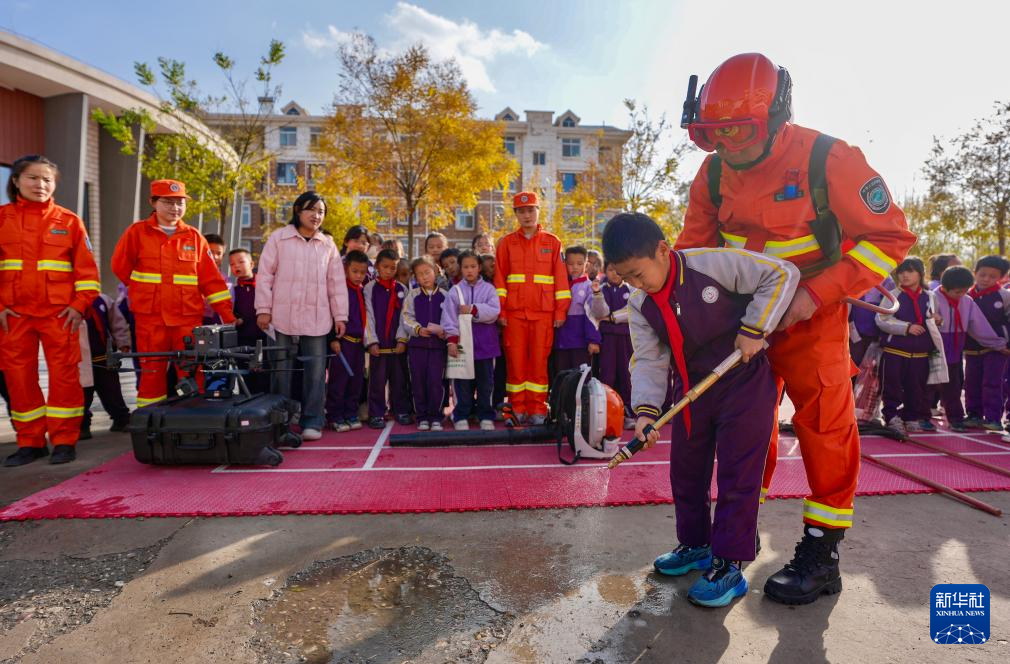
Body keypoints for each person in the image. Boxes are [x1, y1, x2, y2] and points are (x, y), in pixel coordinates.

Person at [676, 52, 915, 603]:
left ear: (776, 117)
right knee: (744, 430)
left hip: (813, 317)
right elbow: (694, 253)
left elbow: (890, 239)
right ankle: (732, 540)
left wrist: (812, 296)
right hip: (742, 323)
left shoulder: (831, 159)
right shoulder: (712, 173)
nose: (725, 145)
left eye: (738, 131)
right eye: (712, 133)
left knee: (825, 429)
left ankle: (822, 552)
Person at [605, 212, 799, 607]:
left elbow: (782, 274)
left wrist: (754, 328)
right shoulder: (640, 305)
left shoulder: (712, 264)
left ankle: (729, 565)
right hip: (691, 391)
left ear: (663, 250)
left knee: (737, 474)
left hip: (743, 382)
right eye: (626, 278)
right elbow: (649, 360)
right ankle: (695, 545)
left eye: (638, 274)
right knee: (686, 469)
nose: (636, 284)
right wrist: (646, 413)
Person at [0, 155, 101, 466]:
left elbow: (87, 272)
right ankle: (30, 443)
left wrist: (79, 305)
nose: (40, 184)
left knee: (64, 378)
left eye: (47, 179)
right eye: (33, 178)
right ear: (16, 181)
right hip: (14, 315)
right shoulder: (2, 218)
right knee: (19, 379)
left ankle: (64, 441)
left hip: (61, 314)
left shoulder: (69, 221)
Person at [112, 179, 235, 409]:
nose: (175, 208)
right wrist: (143, 291)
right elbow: (120, 267)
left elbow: (211, 281)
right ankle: (151, 419)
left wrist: (227, 315)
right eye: (168, 202)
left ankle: (191, 419)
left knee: (192, 371)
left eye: (180, 202)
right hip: (150, 318)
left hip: (187, 319)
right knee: (151, 372)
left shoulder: (194, 237)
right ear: (153, 203)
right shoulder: (137, 233)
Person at [254, 191, 348, 441]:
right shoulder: (279, 238)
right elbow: (265, 275)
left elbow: (336, 284)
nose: (316, 215)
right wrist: (263, 309)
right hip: (281, 316)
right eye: (311, 210)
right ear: (297, 210)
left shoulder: (328, 244)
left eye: (321, 211)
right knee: (281, 370)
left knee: (316, 372)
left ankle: (312, 421)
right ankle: (279, 422)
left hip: (317, 318)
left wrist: (340, 316)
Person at [494, 191, 571, 425]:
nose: (526, 215)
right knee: (515, 363)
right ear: (516, 214)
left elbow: (561, 280)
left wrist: (560, 311)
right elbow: (500, 280)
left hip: (543, 315)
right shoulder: (506, 243)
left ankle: (537, 409)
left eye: (530, 210)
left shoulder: (552, 242)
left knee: (539, 364)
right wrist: (501, 311)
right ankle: (516, 409)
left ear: (538, 211)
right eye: (521, 211)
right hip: (514, 315)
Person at [934, 265, 1010, 432]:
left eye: (964, 291)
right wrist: (934, 318)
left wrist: (998, 344)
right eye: (957, 292)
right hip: (933, 351)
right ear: (945, 287)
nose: (961, 295)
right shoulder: (932, 298)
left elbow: (978, 326)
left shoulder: (967, 301)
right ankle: (917, 416)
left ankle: (956, 419)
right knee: (924, 385)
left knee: (953, 386)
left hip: (954, 353)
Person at [875, 258, 936, 434]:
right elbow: (881, 319)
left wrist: (937, 320)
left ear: (920, 274)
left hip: (920, 354)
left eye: (910, 271)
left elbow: (933, 319)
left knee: (916, 388)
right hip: (895, 350)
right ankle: (891, 416)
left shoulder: (930, 296)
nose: (904, 275)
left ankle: (911, 417)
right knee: (891, 387)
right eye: (901, 272)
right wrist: (906, 327)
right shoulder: (892, 295)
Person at [444, 250, 501, 431]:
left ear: (479, 268)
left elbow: (494, 311)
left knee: (486, 383)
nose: (469, 270)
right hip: (462, 346)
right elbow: (449, 318)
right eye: (466, 267)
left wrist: (473, 309)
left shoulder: (489, 289)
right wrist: (452, 341)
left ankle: (485, 415)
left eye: (473, 266)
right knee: (462, 383)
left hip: (486, 345)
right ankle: (461, 414)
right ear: (460, 269)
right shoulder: (455, 291)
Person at [400, 256, 448, 431]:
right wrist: (418, 329)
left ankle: (436, 417)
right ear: (415, 277)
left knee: (436, 382)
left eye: (427, 272)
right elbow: (406, 318)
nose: (424, 277)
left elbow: (451, 319)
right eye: (420, 274)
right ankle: (422, 417)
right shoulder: (412, 295)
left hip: (438, 348)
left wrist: (444, 331)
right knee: (418, 383)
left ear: (435, 271)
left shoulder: (445, 296)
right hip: (416, 348)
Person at [364, 249, 410, 428]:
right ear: (377, 266)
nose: (389, 271)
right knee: (377, 381)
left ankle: (400, 410)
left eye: (393, 268)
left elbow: (405, 317)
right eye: (385, 267)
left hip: (396, 346)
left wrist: (402, 339)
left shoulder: (402, 289)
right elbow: (368, 316)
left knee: (399, 380)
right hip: (379, 345)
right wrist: (372, 341)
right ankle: (376, 413)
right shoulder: (370, 288)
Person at [964, 256, 1010, 431]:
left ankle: (993, 418)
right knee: (971, 382)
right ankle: (974, 414)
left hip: (998, 349)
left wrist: (1007, 343)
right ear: (975, 273)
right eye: (982, 274)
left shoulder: (1004, 296)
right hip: (972, 348)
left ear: (1001, 278)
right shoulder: (966, 295)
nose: (986, 279)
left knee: (993, 382)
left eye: (992, 276)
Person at [326, 250, 370, 432]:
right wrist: (333, 338)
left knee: (356, 380)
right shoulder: (340, 291)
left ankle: (351, 413)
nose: (359, 276)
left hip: (359, 344)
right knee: (339, 381)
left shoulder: (363, 291)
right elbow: (331, 314)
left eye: (362, 272)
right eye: (355, 271)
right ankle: (335, 415)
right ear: (345, 269)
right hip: (343, 343)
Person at [80, 291, 132, 438]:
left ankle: (121, 419)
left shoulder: (103, 300)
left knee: (112, 392)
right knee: (81, 396)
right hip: (78, 361)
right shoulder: (65, 300)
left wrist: (123, 342)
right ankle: (82, 426)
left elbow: (117, 323)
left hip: (103, 358)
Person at [598, 261, 636, 429]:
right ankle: (607, 412)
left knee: (626, 375)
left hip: (626, 338)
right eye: (610, 270)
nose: (614, 273)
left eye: (617, 269)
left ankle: (627, 412)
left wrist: (612, 317)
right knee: (607, 375)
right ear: (605, 271)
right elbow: (599, 313)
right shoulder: (600, 290)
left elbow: (632, 311)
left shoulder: (630, 289)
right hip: (607, 338)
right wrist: (608, 317)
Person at [553, 246, 602, 372]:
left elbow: (592, 315)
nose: (575, 267)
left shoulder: (589, 287)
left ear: (586, 265)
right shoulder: (559, 285)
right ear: (564, 264)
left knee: (581, 377)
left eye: (579, 264)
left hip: (580, 343)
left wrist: (593, 340)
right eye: (570, 264)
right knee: (562, 377)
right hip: (560, 342)